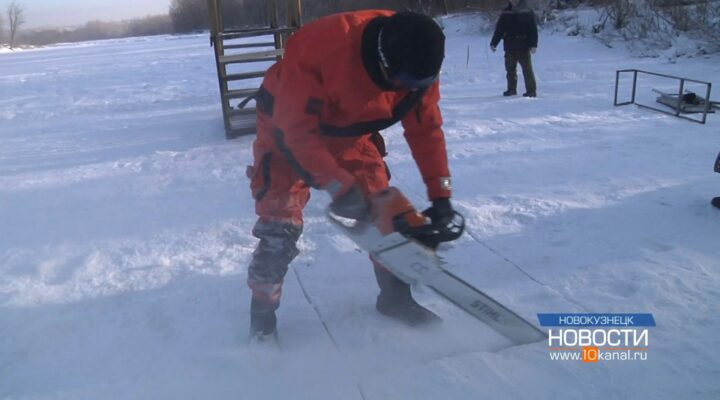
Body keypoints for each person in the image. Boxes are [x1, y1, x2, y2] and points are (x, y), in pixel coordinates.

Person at [245, 10, 456, 340]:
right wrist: (339, 187)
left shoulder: (420, 57)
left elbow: (426, 128)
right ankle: (262, 318)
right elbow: (295, 134)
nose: (411, 91)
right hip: (284, 127)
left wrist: (441, 194)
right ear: (384, 64)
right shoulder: (321, 50)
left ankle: (395, 298)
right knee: (279, 228)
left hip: (350, 134)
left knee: (387, 216)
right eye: (406, 84)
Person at [490, 0, 538, 97]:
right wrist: (494, 43)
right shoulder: (506, 12)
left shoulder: (527, 11)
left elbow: (533, 29)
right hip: (509, 45)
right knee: (510, 69)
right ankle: (511, 89)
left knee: (527, 70)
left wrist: (534, 45)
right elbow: (500, 29)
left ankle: (531, 91)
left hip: (524, 45)